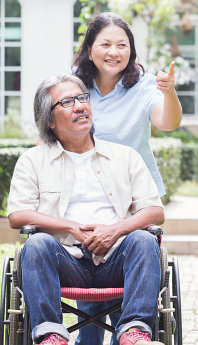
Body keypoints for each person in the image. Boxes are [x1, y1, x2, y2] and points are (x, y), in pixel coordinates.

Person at [7, 74, 165, 345]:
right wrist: (69, 226)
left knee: (143, 238)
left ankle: (134, 332)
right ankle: (51, 334)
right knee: (36, 244)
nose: (80, 105)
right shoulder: (33, 160)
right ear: (50, 120)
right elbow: (17, 215)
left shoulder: (125, 156)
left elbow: (154, 211)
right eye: (67, 101)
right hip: (65, 261)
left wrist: (116, 230)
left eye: (82, 98)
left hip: (118, 259)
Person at [73, 12, 182, 345]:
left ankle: (132, 331)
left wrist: (169, 92)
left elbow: (167, 121)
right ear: (89, 48)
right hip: (86, 196)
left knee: (129, 287)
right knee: (90, 311)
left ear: (131, 51)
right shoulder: (73, 86)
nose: (114, 51)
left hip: (136, 198)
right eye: (105, 43)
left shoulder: (145, 85)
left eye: (122, 45)